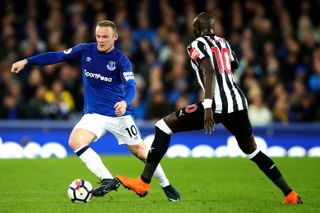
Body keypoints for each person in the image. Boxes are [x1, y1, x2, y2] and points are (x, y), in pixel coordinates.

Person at [116, 12, 302, 204]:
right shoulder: (225, 43)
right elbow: (235, 64)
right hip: (238, 102)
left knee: (163, 127)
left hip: (216, 104)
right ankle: (290, 194)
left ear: (197, 29)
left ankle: (143, 182)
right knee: (252, 151)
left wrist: (207, 107)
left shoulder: (195, 44)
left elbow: (209, 70)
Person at [10, 20, 180, 202]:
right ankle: (107, 179)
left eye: (105, 36)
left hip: (119, 115)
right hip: (94, 115)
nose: (101, 40)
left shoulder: (121, 60)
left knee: (142, 153)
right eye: (98, 36)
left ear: (115, 37)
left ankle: (166, 185)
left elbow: (131, 86)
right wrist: (27, 61)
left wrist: (125, 101)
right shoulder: (85, 50)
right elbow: (57, 56)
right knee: (75, 140)